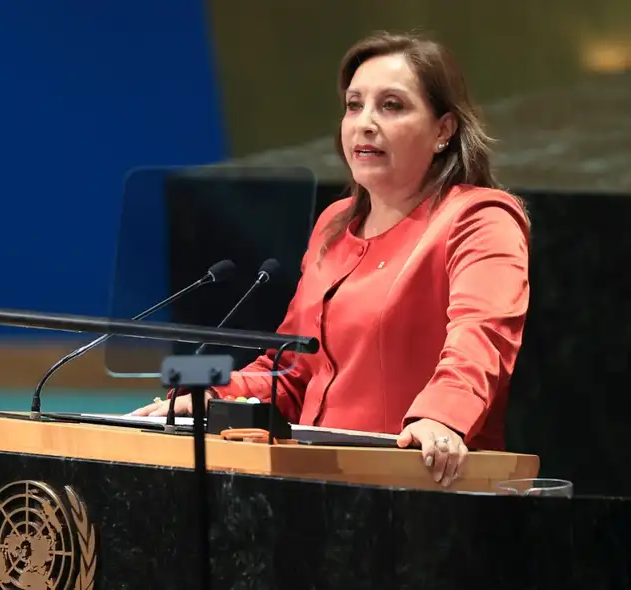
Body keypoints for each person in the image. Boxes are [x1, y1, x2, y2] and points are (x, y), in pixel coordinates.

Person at [132, 31, 531, 488]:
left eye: (392, 106)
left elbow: (482, 340)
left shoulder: (480, 217)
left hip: (423, 484)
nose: (364, 123)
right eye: (354, 105)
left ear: (443, 129)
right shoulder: (334, 223)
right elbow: (293, 369)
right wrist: (213, 396)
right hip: (315, 485)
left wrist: (441, 418)